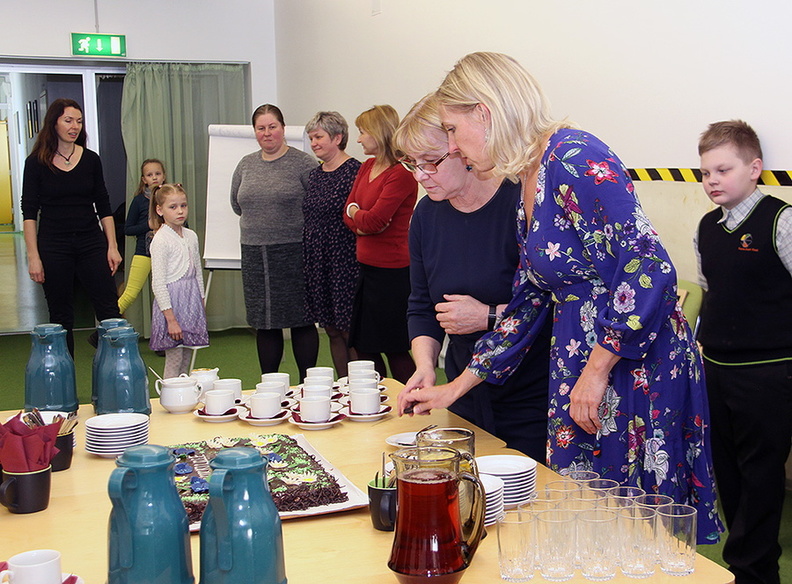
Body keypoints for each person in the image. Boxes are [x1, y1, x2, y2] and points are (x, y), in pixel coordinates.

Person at [397, 52, 722, 543]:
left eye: (453, 129)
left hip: (629, 363)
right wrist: (453, 387)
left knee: (633, 529)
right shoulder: (527, 178)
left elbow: (649, 268)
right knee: (584, 517)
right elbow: (528, 303)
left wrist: (596, 371)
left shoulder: (573, 156)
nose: (455, 147)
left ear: (484, 113)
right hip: (583, 360)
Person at [393, 94, 551, 460]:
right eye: (411, 163)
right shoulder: (426, 216)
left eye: (430, 162)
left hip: (531, 391)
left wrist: (487, 315)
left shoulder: (520, 202)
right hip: (463, 390)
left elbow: (549, 306)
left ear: (460, 150)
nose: (420, 175)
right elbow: (421, 306)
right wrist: (425, 366)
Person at [696, 120, 792, 584]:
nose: (712, 180)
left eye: (722, 169)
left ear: (754, 169)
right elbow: (709, 291)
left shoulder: (781, 219)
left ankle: (754, 572)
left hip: (769, 374)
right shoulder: (707, 227)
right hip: (716, 368)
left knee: (760, 478)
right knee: (727, 474)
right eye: (705, 173)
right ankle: (748, 563)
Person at [21, 98, 122, 357]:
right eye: (68, 120)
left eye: (78, 121)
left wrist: (112, 246)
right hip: (53, 244)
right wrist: (34, 256)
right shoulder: (36, 163)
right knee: (61, 316)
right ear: (54, 123)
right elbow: (29, 212)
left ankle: (118, 372)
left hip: (91, 241)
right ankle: (64, 385)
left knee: (109, 310)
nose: (74, 126)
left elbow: (103, 204)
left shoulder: (90, 160)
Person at [231, 104, 319, 381]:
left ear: (283, 128)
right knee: (264, 322)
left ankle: (308, 385)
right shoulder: (246, 164)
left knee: (301, 320)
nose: (267, 133)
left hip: (294, 252)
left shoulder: (304, 163)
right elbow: (236, 203)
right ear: (254, 132)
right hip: (255, 254)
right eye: (261, 128)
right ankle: (270, 385)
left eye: (272, 127)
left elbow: (318, 204)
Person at [343, 105, 418, 383]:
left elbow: (375, 221)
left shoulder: (401, 173)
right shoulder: (366, 167)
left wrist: (360, 217)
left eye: (363, 132)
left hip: (392, 274)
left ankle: (414, 403)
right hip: (367, 269)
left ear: (378, 132)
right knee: (364, 345)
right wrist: (358, 217)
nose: (359, 138)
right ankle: (379, 397)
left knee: (395, 347)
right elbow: (351, 213)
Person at [303, 112, 361, 378]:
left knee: (350, 329)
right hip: (318, 261)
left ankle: (361, 388)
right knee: (331, 329)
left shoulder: (355, 172)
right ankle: (344, 385)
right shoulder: (313, 176)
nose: (313, 143)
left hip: (345, 261)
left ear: (337, 138)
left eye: (319, 137)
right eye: (311, 137)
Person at [148, 183, 209, 378]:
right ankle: (171, 399)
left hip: (190, 301)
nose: (180, 211)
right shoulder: (160, 240)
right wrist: (171, 320)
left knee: (187, 361)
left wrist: (201, 300)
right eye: (173, 207)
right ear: (160, 210)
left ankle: (184, 399)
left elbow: (197, 271)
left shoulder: (191, 236)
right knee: (174, 360)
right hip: (172, 305)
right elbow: (158, 283)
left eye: (183, 205)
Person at [118, 158, 166, 313]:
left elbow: (184, 225)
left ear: (164, 176)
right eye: (150, 174)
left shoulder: (171, 198)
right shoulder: (138, 201)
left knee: (168, 296)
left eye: (157, 173)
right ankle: (106, 325)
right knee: (130, 294)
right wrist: (148, 226)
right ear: (144, 179)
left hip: (168, 254)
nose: (154, 177)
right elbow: (128, 229)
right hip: (144, 253)